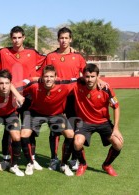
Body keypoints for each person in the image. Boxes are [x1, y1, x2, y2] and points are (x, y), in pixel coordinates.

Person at [0, 26, 45, 170]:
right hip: (9, 96)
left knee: (27, 129)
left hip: (27, 97)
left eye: (19, 37)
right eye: (14, 38)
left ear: (24, 37)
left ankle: (32, 159)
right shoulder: (3, 52)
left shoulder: (32, 53)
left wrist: (71, 51)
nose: (17, 40)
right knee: (9, 130)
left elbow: (49, 60)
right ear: (11, 38)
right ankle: (6, 159)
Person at [41, 27, 86, 171]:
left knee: (73, 129)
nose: (64, 40)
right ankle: (54, 159)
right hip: (56, 98)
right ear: (58, 39)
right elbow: (43, 75)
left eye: (66, 38)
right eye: (61, 38)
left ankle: (73, 159)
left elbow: (87, 75)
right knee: (55, 130)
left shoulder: (78, 57)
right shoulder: (51, 56)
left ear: (70, 39)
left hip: (74, 98)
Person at [21, 65, 75, 176]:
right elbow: (18, 87)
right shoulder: (34, 86)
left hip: (56, 114)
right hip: (35, 113)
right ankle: (30, 163)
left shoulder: (64, 85)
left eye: (51, 76)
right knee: (24, 134)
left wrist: (99, 80)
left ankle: (63, 165)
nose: (48, 79)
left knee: (70, 134)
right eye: (46, 76)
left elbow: (80, 79)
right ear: (41, 77)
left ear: (56, 77)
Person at [73, 63, 123, 176]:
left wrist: (116, 128)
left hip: (103, 122)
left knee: (118, 144)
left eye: (92, 77)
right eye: (87, 76)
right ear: (83, 76)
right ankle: (82, 164)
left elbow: (116, 107)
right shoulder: (77, 84)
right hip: (84, 122)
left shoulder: (106, 88)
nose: (89, 79)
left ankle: (106, 165)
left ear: (97, 76)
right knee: (77, 143)